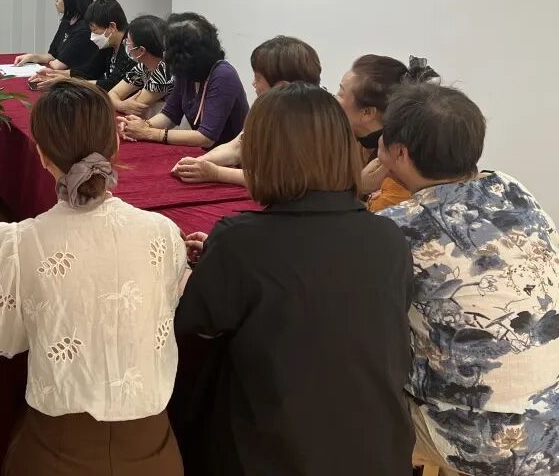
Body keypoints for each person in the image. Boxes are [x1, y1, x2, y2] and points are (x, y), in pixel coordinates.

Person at [175, 82, 414, 475]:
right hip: (377, 450)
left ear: (263, 155)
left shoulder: (241, 240)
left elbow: (200, 326)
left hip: (273, 453)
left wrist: (189, 270)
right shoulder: (388, 236)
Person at [0, 80, 187, 475]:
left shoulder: (20, 243)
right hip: (155, 453)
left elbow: (0, 340)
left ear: (41, 155)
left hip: (53, 451)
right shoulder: (162, 233)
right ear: (116, 144)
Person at [379, 84, 559, 476]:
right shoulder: (511, 187)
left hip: (484, 448)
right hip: (553, 423)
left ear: (399, 152)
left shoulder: (394, 228)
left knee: (352, 392)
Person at [173, 35, 321, 186]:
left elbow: (281, 180)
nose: (253, 83)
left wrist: (216, 173)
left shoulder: (313, 121)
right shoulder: (265, 110)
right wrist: (198, 163)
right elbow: (236, 148)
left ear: (281, 87)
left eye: (258, 78)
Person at [120, 13, 247, 148]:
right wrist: (142, 126)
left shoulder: (223, 75)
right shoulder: (187, 72)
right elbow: (170, 114)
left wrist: (149, 132)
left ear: (184, 55)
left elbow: (206, 137)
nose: (164, 54)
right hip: (206, 153)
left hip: (233, 156)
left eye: (167, 49)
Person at [336, 54, 438, 211]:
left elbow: (381, 220)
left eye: (341, 93)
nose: (333, 99)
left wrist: (358, 188)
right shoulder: (345, 138)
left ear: (367, 113)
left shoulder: (397, 169)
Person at [30, 0, 130, 91]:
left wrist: (66, 82)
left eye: (94, 30)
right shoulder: (109, 44)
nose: (92, 36)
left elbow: (112, 84)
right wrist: (53, 73)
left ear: (112, 27)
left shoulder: (130, 49)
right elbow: (90, 71)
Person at [13, 0, 99, 74]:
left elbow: (58, 65)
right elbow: (53, 55)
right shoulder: (67, 22)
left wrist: (53, 61)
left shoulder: (85, 28)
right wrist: (32, 57)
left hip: (78, 80)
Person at [108, 15, 173, 117]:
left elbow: (135, 106)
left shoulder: (165, 70)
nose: (125, 43)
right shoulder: (143, 66)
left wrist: (120, 104)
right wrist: (120, 105)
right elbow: (111, 94)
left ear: (141, 50)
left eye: (128, 41)